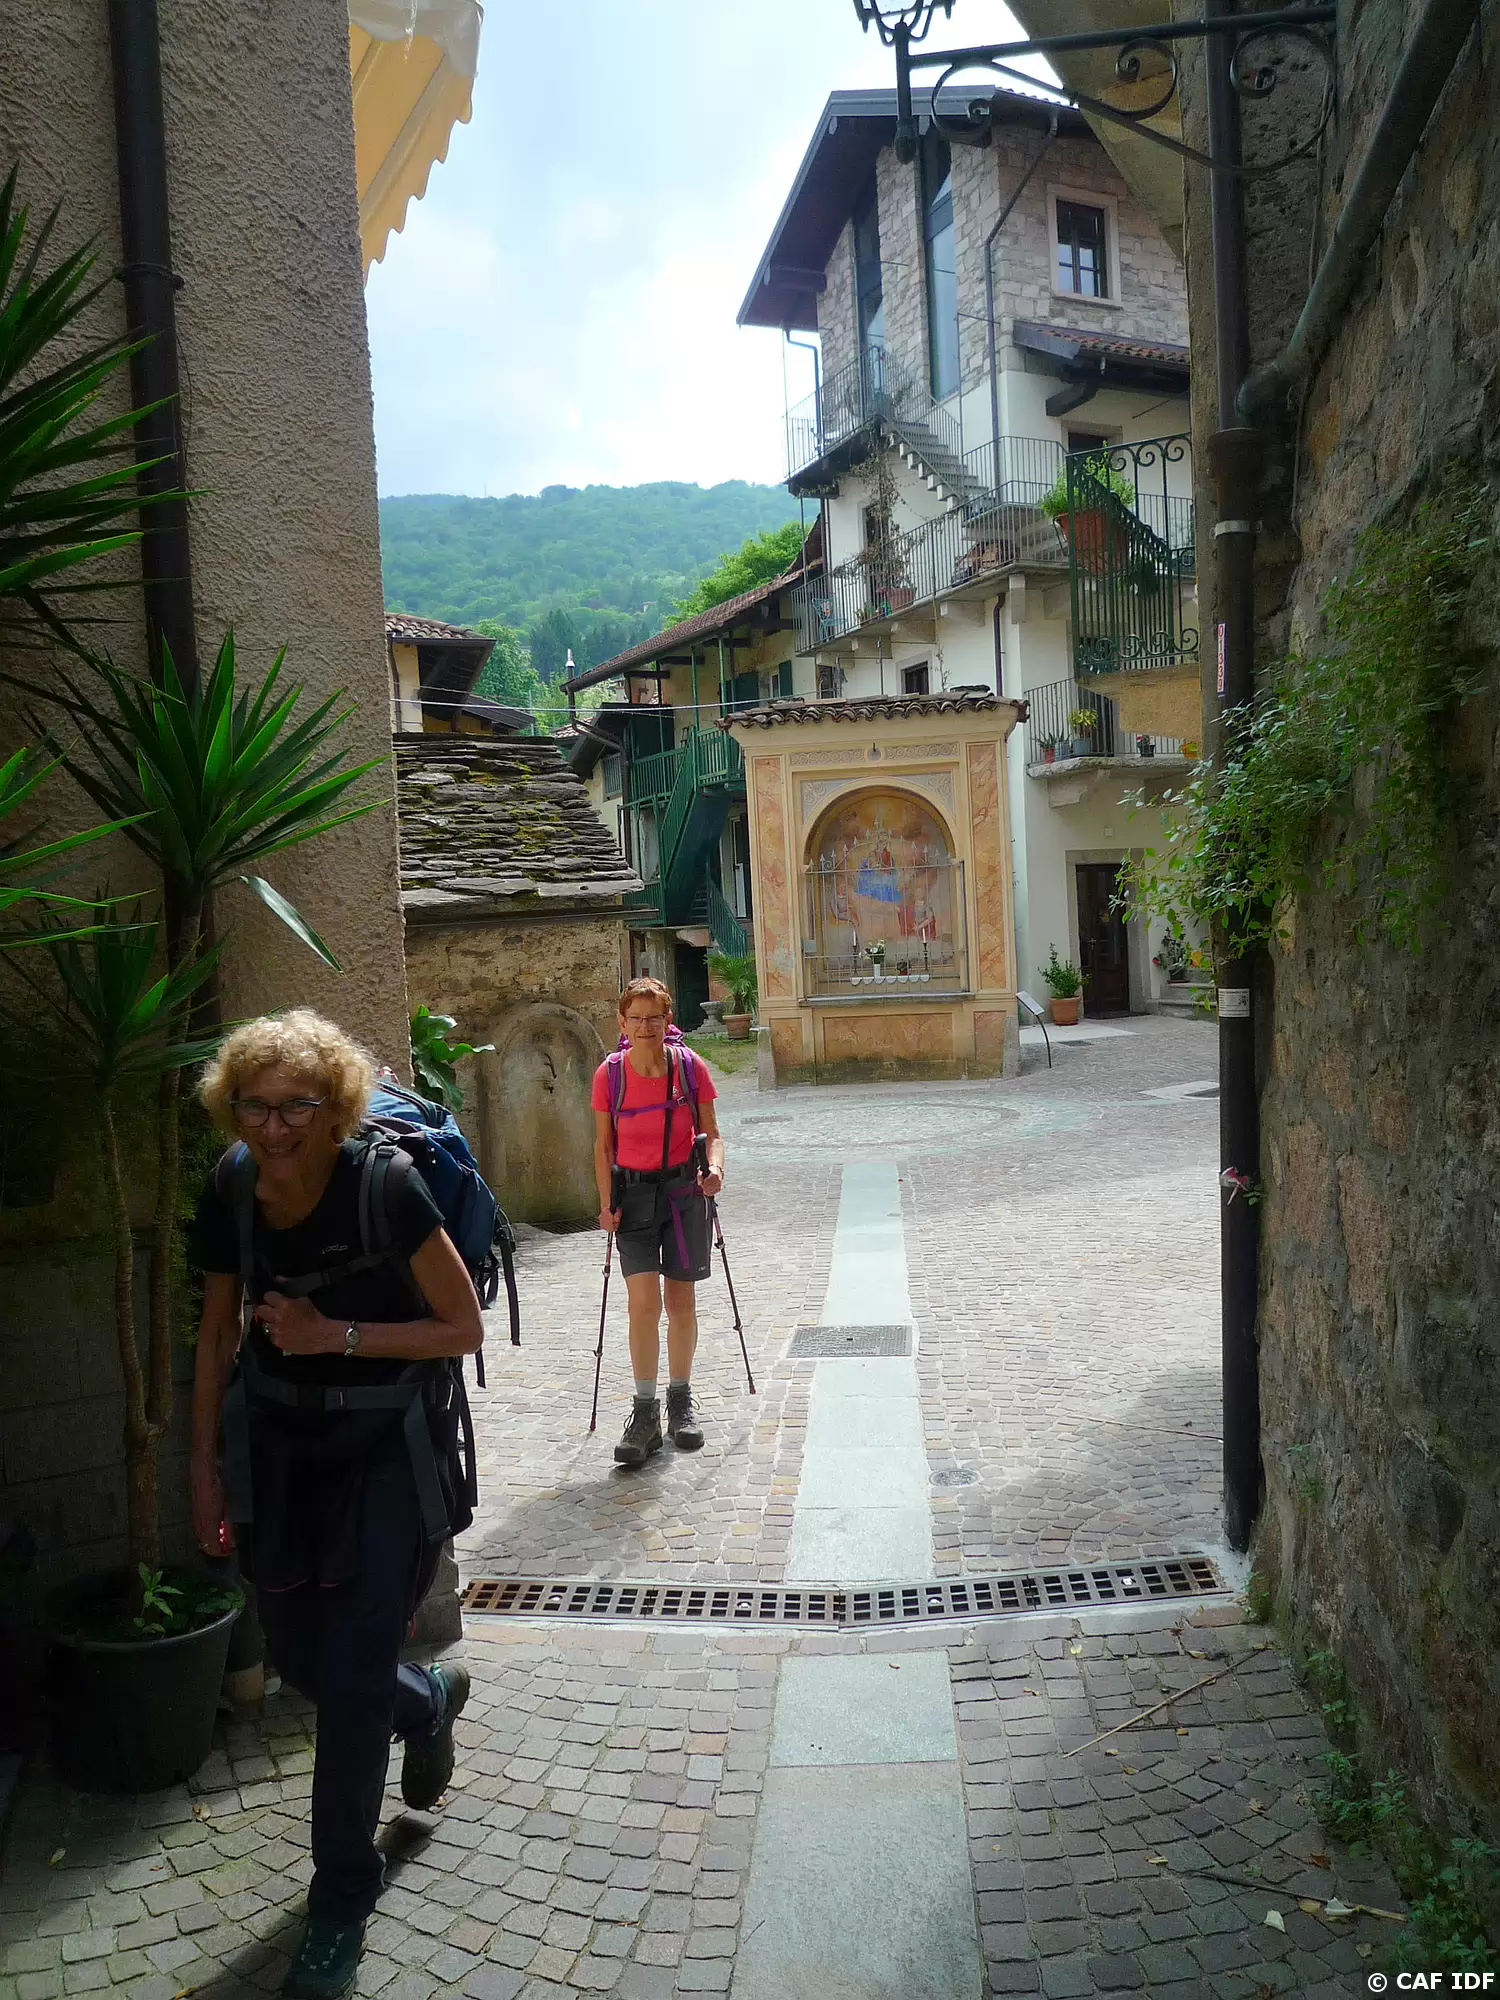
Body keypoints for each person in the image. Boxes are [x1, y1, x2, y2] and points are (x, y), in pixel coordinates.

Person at [188, 1011, 485, 2000]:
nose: (274, 1128)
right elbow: (216, 1333)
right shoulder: (231, 1186)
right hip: (280, 1449)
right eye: (255, 1107)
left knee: (350, 1676)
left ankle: (340, 1902)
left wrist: (335, 1334)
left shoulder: (385, 1187)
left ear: (334, 1108)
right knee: (309, 1663)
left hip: (384, 1449)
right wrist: (202, 1469)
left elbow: (461, 1327)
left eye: (297, 1107)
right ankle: (425, 1701)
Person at [591, 976, 724, 1467]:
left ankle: (680, 1402)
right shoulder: (610, 1075)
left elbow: (712, 1134)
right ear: (622, 1022)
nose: (645, 1026)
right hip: (634, 1198)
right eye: (636, 1018)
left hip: (684, 1195)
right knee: (643, 1304)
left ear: (668, 1020)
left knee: (681, 1300)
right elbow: (603, 1147)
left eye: (654, 1017)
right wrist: (606, 1204)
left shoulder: (690, 1068)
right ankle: (644, 1413)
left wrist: (715, 1169)